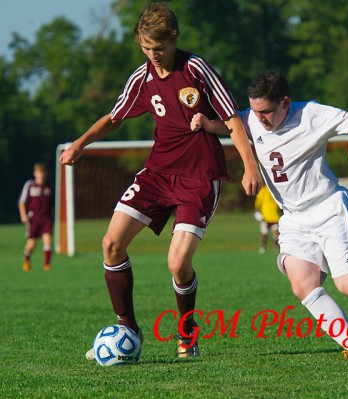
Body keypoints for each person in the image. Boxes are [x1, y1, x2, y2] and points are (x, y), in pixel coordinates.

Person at [59, 3, 261, 360]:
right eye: (147, 48)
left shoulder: (195, 68)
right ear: (139, 41)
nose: (154, 55)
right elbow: (115, 117)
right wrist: (80, 143)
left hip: (199, 176)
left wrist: (249, 166)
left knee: (178, 265)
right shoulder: (141, 77)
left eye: (161, 48)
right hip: (157, 173)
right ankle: (128, 328)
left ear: (174, 40)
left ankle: (188, 335)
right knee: (111, 244)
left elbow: (231, 119)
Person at [192, 70, 348, 358]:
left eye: (267, 112)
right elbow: (233, 125)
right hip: (294, 218)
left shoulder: (311, 115)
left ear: (286, 102)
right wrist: (208, 124)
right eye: (255, 110)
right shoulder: (252, 117)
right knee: (303, 285)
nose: (259, 118)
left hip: (329, 209)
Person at [18, 162, 53, 272]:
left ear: (45, 173)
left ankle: (46, 265)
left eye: (43, 172)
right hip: (33, 217)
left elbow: (52, 204)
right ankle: (26, 260)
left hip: (46, 217)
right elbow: (22, 201)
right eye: (39, 172)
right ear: (34, 173)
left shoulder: (49, 187)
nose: (41, 174)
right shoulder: (30, 185)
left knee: (48, 241)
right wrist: (23, 215)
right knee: (32, 243)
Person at [254, 185, 281, 254]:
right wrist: (258, 213)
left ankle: (275, 246)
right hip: (265, 217)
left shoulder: (277, 190)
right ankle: (263, 246)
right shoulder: (262, 191)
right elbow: (258, 204)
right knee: (264, 233)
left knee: (276, 233)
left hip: (274, 216)